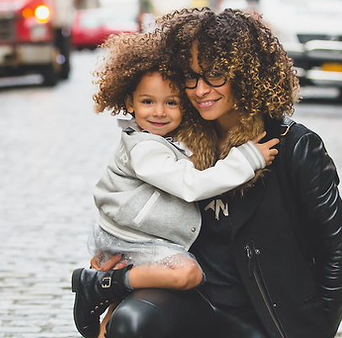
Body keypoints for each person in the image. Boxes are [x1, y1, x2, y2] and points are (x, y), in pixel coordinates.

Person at [91, 8, 342, 338]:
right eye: (191, 77)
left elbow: (335, 250)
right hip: (194, 302)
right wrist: (118, 283)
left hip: (267, 315)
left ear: (245, 74)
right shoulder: (176, 143)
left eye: (215, 76)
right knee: (132, 323)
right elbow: (139, 221)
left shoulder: (294, 146)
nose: (200, 90)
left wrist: (319, 325)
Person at [71, 31, 279, 338]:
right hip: (135, 241)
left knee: (130, 310)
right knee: (188, 274)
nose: (159, 111)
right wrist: (247, 159)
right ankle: (101, 285)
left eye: (171, 102)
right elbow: (190, 185)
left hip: (140, 238)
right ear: (129, 101)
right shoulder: (144, 148)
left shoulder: (166, 140)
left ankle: (111, 304)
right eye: (147, 101)